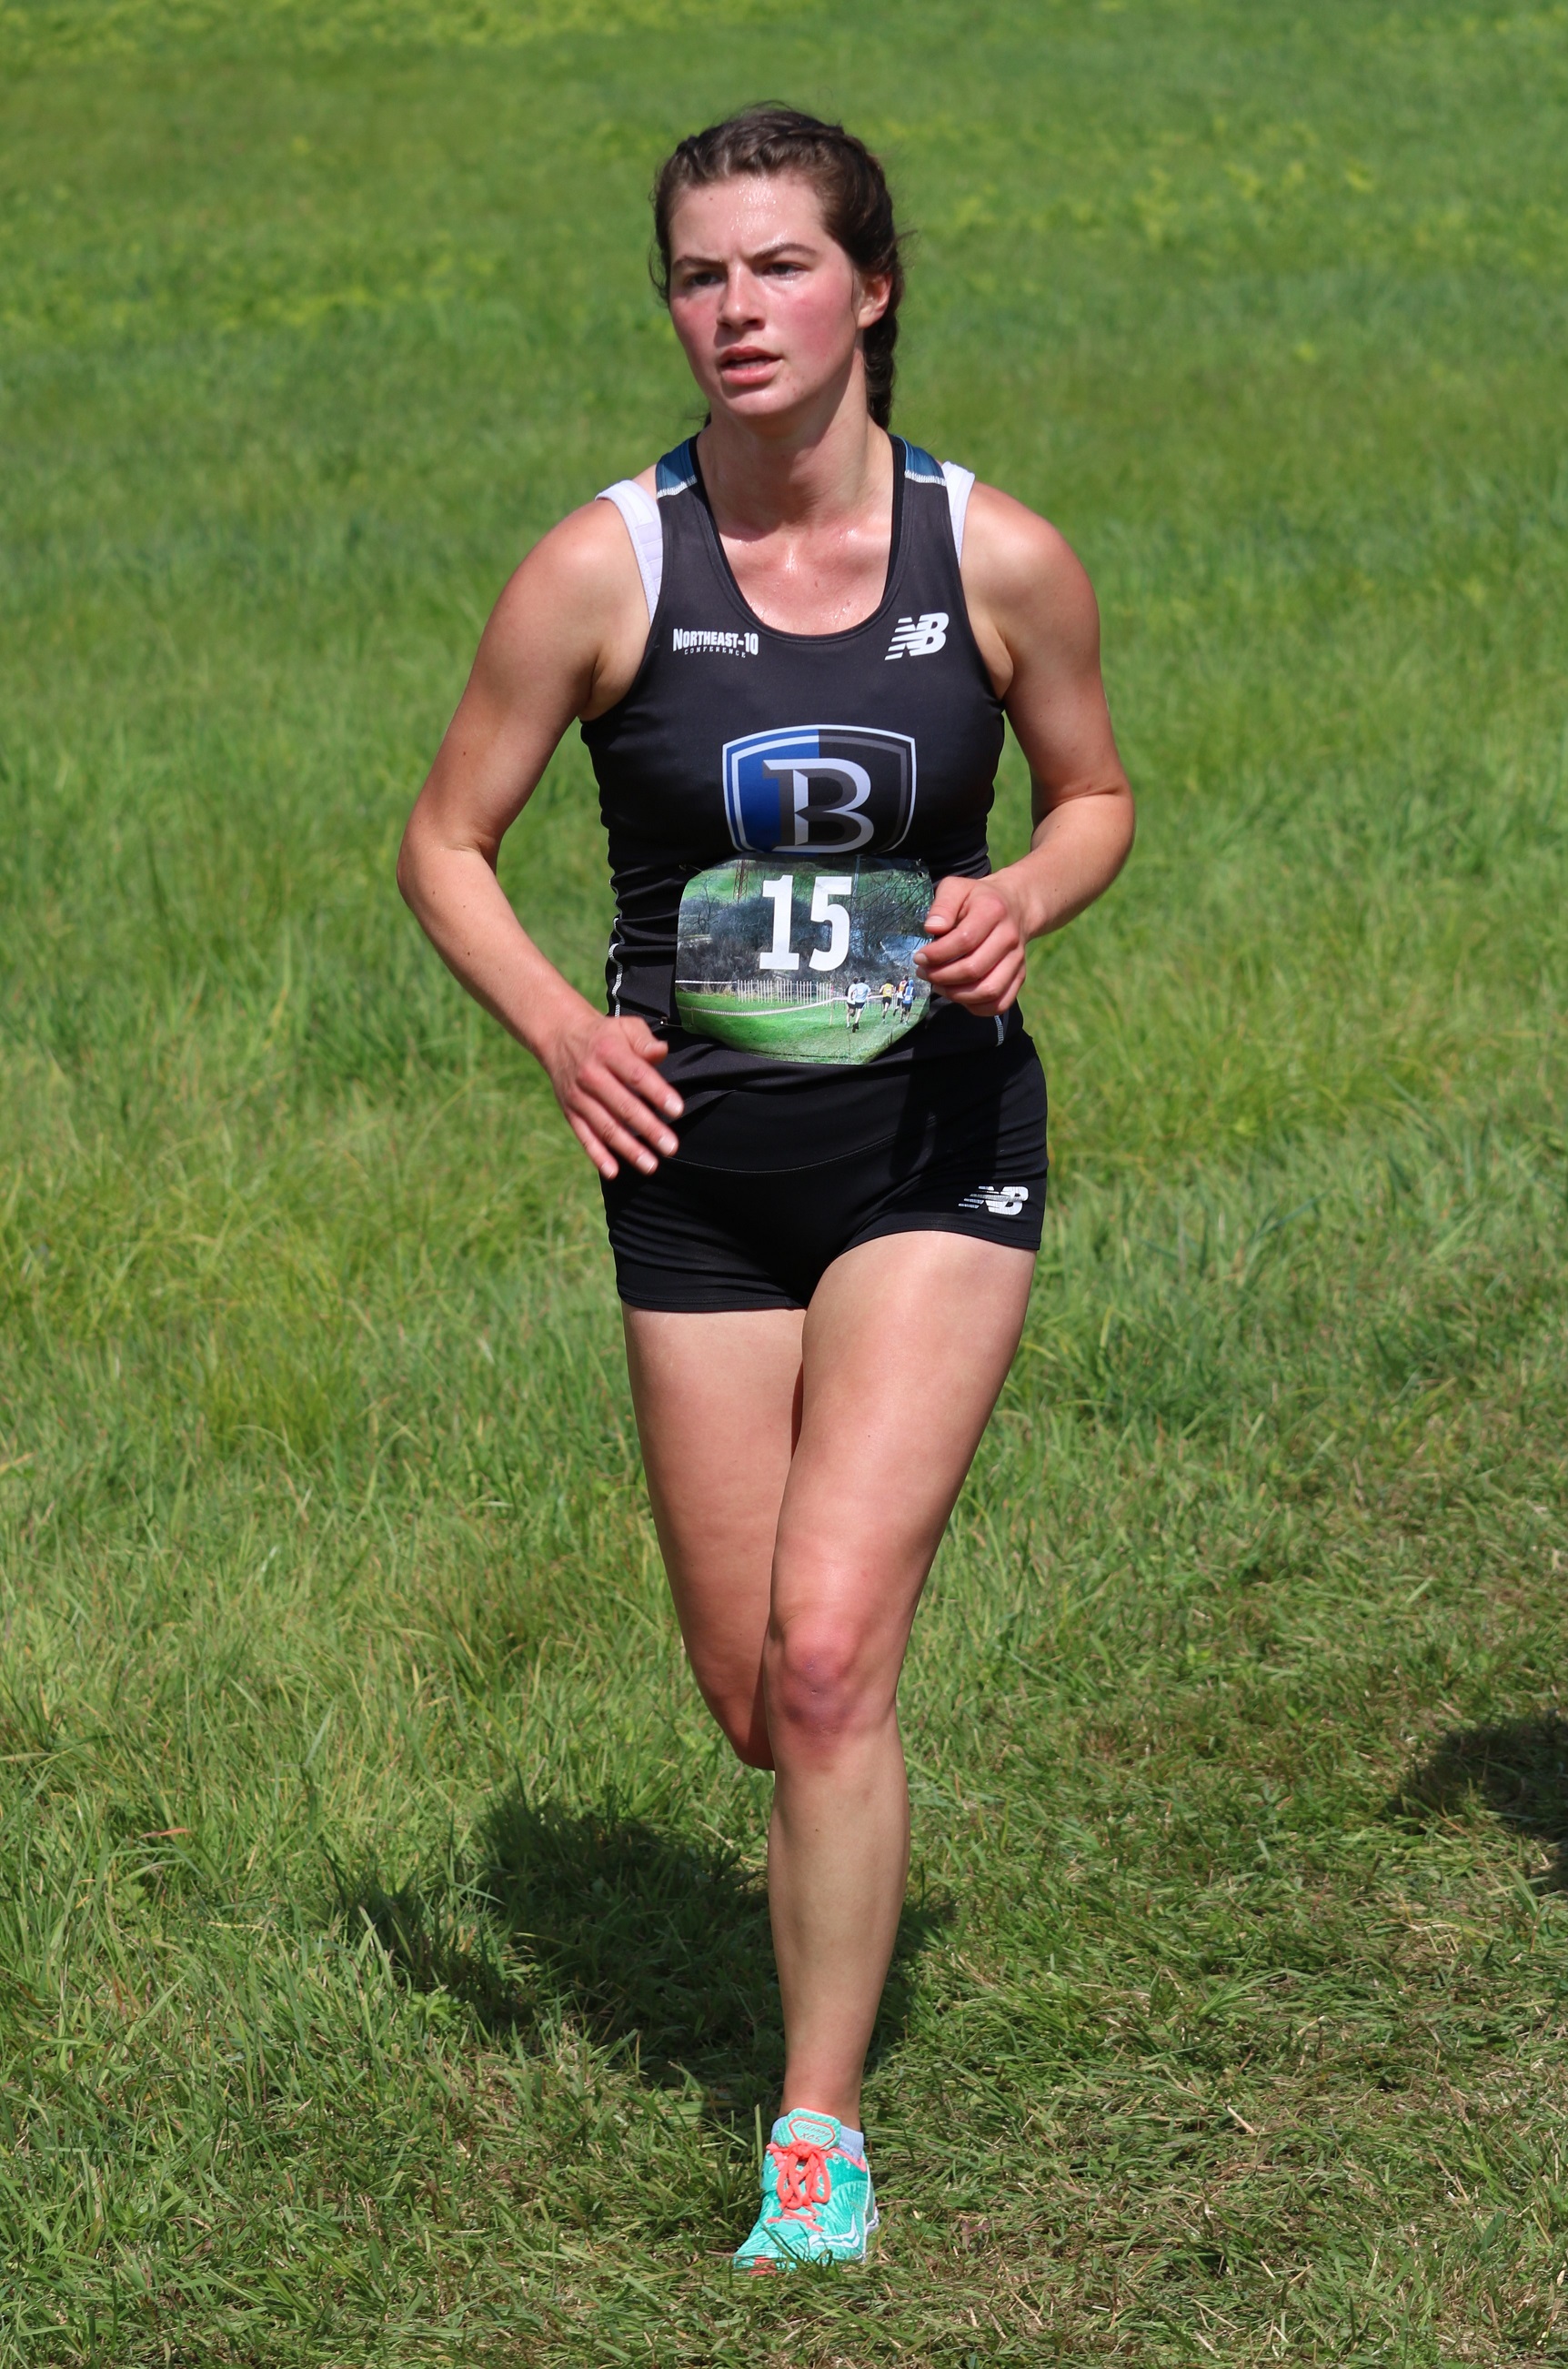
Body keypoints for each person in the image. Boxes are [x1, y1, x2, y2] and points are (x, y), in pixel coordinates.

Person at [397, 105, 1132, 2271]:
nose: (735, 311)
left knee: (827, 1661)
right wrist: (559, 1023)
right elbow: (446, 838)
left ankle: (811, 2134)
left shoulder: (991, 557)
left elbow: (1093, 792)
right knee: (748, 1696)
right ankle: (835, 1804)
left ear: (868, 289)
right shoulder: (600, 568)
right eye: (700, 276)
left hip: (930, 1144)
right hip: (694, 1181)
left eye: (779, 267)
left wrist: (1021, 896)